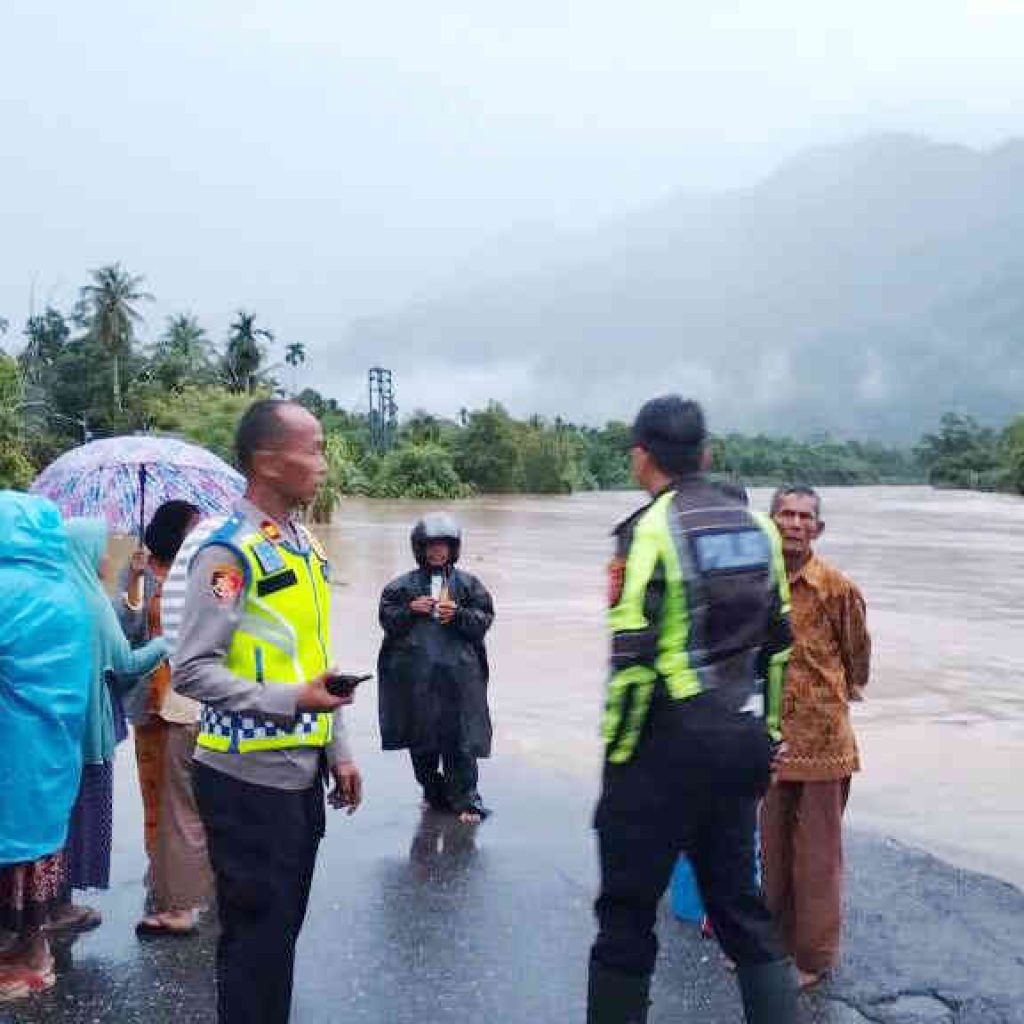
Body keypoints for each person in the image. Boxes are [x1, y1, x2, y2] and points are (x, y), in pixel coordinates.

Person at [587, 395, 797, 1024]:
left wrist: (618, 760)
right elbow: (779, 648)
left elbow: (632, 665)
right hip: (740, 738)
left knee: (625, 917)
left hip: (665, 747)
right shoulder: (759, 530)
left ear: (640, 457)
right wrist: (770, 734)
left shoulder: (647, 530)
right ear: (706, 455)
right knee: (740, 906)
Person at [172, 399, 363, 1024]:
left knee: (278, 937)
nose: (324, 464)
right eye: (314, 450)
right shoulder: (228, 554)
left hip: (299, 773)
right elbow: (193, 670)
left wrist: (338, 747)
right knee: (255, 943)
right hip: (245, 780)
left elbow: (313, 658)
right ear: (268, 462)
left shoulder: (304, 548)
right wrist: (291, 701)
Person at [761, 485, 870, 989]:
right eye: (786, 514)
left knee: (817, 858)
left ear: (818, 529)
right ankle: (767, 946)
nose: (795, 524)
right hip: (771, 740)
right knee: (772, 849)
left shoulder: (836, 588)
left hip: (825, 743)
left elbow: (858, 655)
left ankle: (812, 958)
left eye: (805, 517)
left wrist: (840, 692)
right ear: (771, 522)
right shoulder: (758, 584)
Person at [50, 518, 169, 933]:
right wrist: (166, 642)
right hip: (87, 728)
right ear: (84, 552)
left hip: (55, 726)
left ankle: (41, 905)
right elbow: (125, 662)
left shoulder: (57, 594)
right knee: (81, 814)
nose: (106, 556)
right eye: (101, 548)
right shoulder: (92, 602)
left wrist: (131, 581)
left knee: (54, 814)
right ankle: (59, 905)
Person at [0, 493, 91, 1001]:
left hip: (11, 747)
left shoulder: (6, 590)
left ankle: (24, 959)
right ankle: (34, 949)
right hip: (54, 743)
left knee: (11, 850)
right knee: (38, 850)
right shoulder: (67, 590)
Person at [116, 500, 211, 937]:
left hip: (192, 699)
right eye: (190, 528)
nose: (196, 534)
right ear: (172, 531)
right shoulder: (139, 570)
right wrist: (137, 582)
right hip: (150, 697)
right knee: (155, 792)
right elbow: (126, 632)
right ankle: (161, 872)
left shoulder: (200, 568)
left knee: (191, 795)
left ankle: (191, 878)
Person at [378, 514, 495, 824]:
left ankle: (467, 800)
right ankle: (433, 793)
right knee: (421, 741)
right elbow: (387, 620)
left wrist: (459, 614)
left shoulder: (470, 585)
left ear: (453, 549)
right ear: (419, 548)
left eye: (443, 546)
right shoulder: (400, 587)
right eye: (430, 546)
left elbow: (483, 620)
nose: (437, 552)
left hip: (458, 680)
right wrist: (409, 609)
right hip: (417, 681)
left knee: (460, 741)